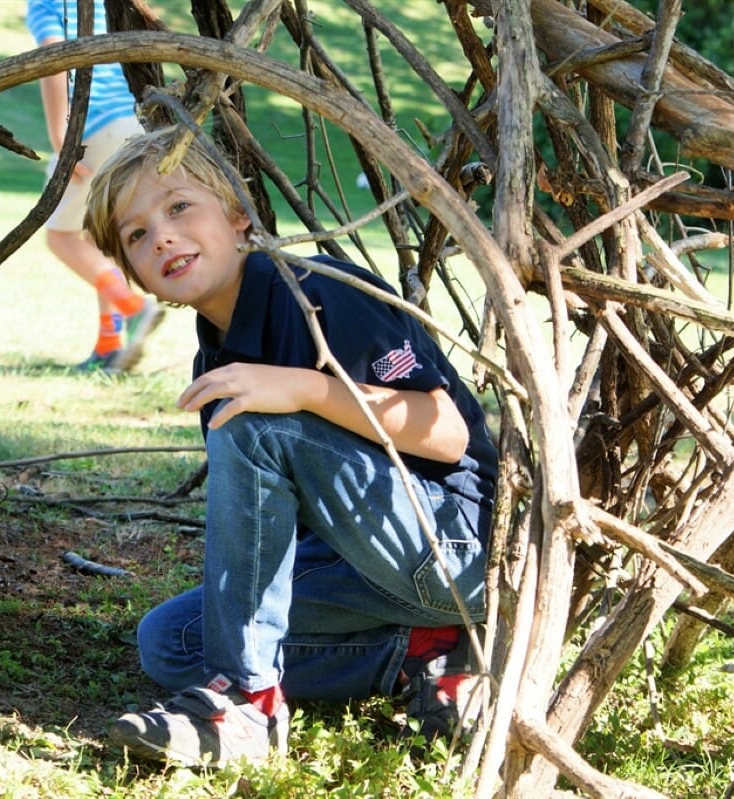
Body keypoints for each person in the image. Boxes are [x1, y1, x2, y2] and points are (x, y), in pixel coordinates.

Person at [83, 126, 498, 767]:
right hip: (366, 568)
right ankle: (425, 651)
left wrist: (303, 387)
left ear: (240, 218)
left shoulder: (318, 292)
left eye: (179, 206)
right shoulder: (217, 354)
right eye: (137, 235)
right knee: (169, 641)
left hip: (459, 549)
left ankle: (247, 703)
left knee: (253, 422)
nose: (161, 235)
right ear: (137, 276)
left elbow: (445, 434)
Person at [27, 0, 162, 374]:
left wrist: (61, 138)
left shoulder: (46, 4)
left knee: (61, 237)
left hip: (92, 126)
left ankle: (134, 308)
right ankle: (108, 345)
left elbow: (54, 60)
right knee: (96, 237)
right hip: (133, 123)